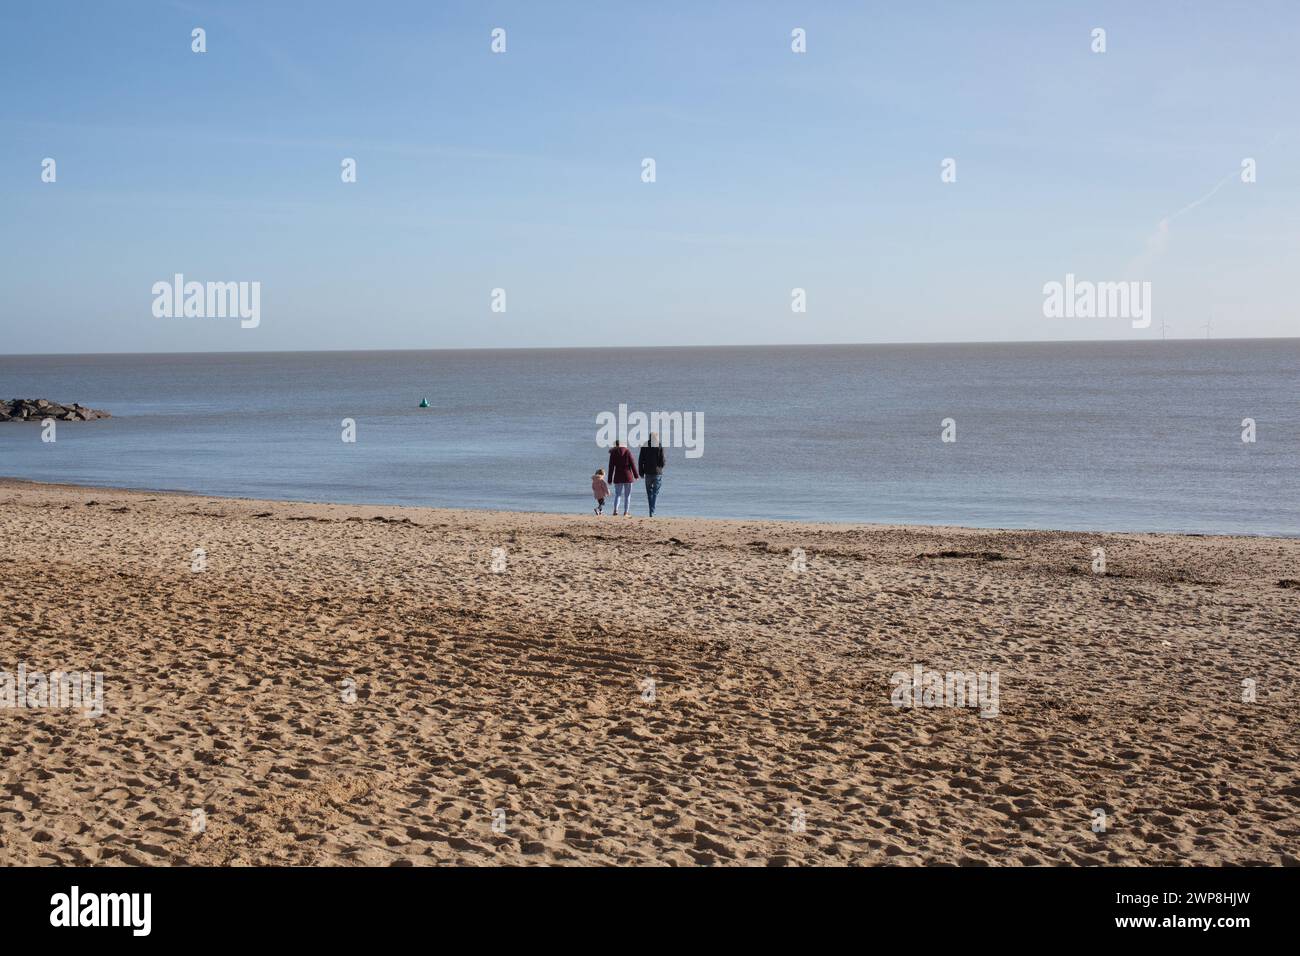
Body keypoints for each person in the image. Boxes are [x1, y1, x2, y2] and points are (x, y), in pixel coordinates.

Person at [606, 439, 639, 516]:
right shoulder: (627, 451)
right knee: (627, 495)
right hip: (628, 476)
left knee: (618, 495)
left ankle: (615, 510)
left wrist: (609, 479)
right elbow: (632, 464)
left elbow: (611, 467)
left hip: (618, 476)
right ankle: (626, 512)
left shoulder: (613, 453)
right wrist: (636, 475)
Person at [638, 432, 666, 517]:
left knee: (649, 493)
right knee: (655, 492)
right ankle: (652, 510)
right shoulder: (659, 445)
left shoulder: (645, 445)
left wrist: (641, 472)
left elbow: (640, 460)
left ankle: (651, 511)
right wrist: (661, 468)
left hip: (647, 472)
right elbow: (663, 459)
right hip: (657, 472)